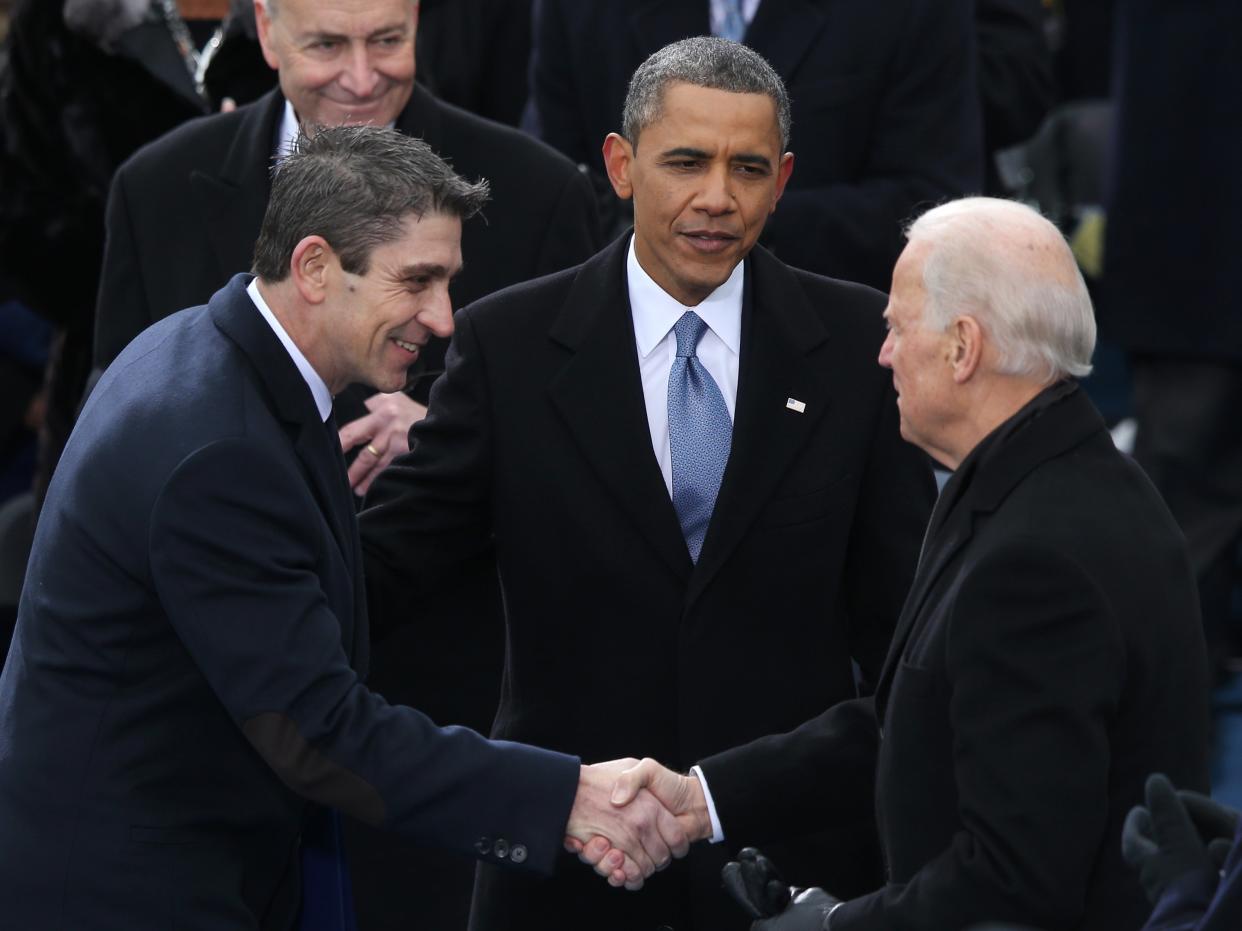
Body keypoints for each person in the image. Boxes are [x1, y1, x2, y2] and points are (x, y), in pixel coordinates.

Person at [0, 125, 685, 930]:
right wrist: (566, 797)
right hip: (132, 891)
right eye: (418, 281)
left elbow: (322, 612)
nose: (442, 318)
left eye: (449, 282)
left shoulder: (215, 357)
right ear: (316, 267)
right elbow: (316, 729)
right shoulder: (217, 447)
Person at [360, 36, 934, 931]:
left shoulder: (861, 348)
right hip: (565, 873)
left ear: (782, 181)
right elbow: (386, 568)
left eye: (747, 168)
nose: (717, 197)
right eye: (685, 162)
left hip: (790, 871)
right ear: (621, 167)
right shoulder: (508, 344)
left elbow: (907, 643)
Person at [90, 3, 602, 924]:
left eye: (388, 40)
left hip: (442, 718)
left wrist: (453, 429)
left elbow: (590, 481)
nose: (362, 79)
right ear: (266, 31)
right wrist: (572, 801)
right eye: (329, 44)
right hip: (215, 770)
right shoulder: (158, 193)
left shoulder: (538, 191)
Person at [604, 196, 1213, 930]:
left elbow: (1015, 879)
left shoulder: (1036, 558)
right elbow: (915, 724)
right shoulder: (1047, 483)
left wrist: (835, 925)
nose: (883, 352)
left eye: (895, 327)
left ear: (963, 347)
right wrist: (705, 798)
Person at [522, 0, 982, 289]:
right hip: (618, 329)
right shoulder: (580, 10)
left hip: (833, 345)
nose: (715, 198)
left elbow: (933, 204)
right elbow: (557, 184)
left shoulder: (912, 11)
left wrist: (744, 222)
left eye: (751, 169)